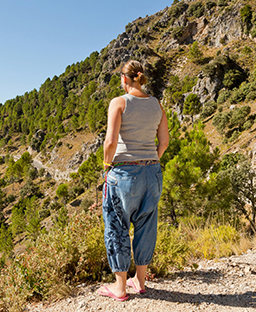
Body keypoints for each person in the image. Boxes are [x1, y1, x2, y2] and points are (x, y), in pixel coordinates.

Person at [96, 60, 168, 301]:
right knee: (146, 225)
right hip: (152, 171)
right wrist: (150, 161)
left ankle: (120, 287)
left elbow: (110, 142)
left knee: (117, 226)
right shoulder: (157, 104)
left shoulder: (119, 102)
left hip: (124, 173)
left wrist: (107, 167)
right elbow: (164, 142)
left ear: (125, 79)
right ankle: (140, 280)